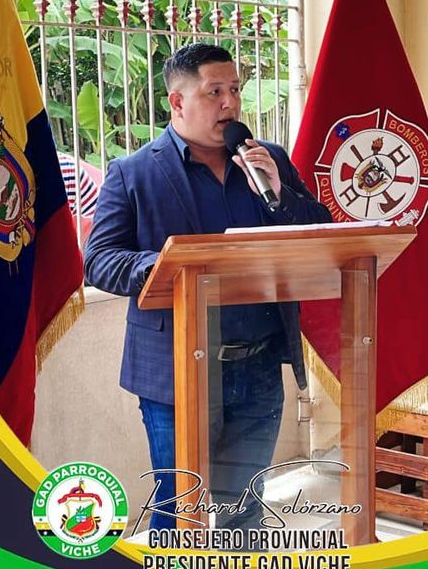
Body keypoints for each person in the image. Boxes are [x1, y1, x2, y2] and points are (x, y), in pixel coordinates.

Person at [85, 44, 332, 536]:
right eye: (214, 92)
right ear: (177, 102)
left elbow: (320, 234)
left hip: (259, 367)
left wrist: (280, 193)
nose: (230, 103)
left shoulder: (268, 160)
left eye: (235, 90)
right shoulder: (133, 173)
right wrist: (171, 265)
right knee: (179, 509)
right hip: (177, 371)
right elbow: (99, 261)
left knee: (245, 509)